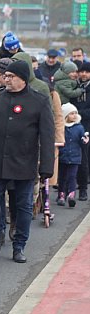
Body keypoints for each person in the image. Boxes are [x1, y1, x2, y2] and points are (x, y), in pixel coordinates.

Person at [0, 61, 55, 263]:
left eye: (11, 76)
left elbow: (47, 135)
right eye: (5, 76)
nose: (6, 79)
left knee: (23, 206)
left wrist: (46, 167)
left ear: (22, 78)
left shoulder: (39, 101)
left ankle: (19, 245)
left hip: (24, 163)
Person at [57, 103, 87, 207]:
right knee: (62, 177)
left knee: (72, 176)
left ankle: (71, 195)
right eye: (71, 114)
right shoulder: (61, 127)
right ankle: (61, 194)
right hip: (63, 156)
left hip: (75, 157)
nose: (74, 115)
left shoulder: (79, 127)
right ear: (65, 115)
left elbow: (82, 139)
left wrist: (85, 141)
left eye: (75, 113)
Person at [71, 62, 90, 201]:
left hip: (86, 126)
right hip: (72, 125)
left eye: (87, 72)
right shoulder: (73, 86)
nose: (83, 74)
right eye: (81, 71)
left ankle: (83, 188)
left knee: (83, 157)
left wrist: (78, 113)